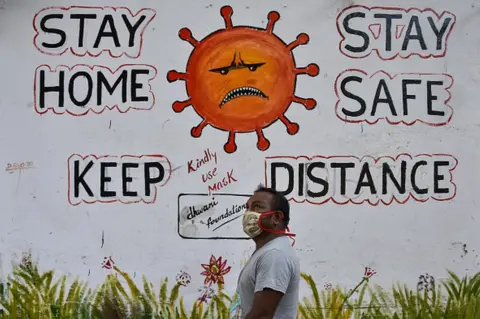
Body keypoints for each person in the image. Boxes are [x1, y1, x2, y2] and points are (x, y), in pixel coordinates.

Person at [230, 186, 300, 319]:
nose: (248, 214)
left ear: (277, 217)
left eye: (257, 207)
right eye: (248, 208)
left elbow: (262, 314)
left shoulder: (275, 254)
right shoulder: (267, 251)